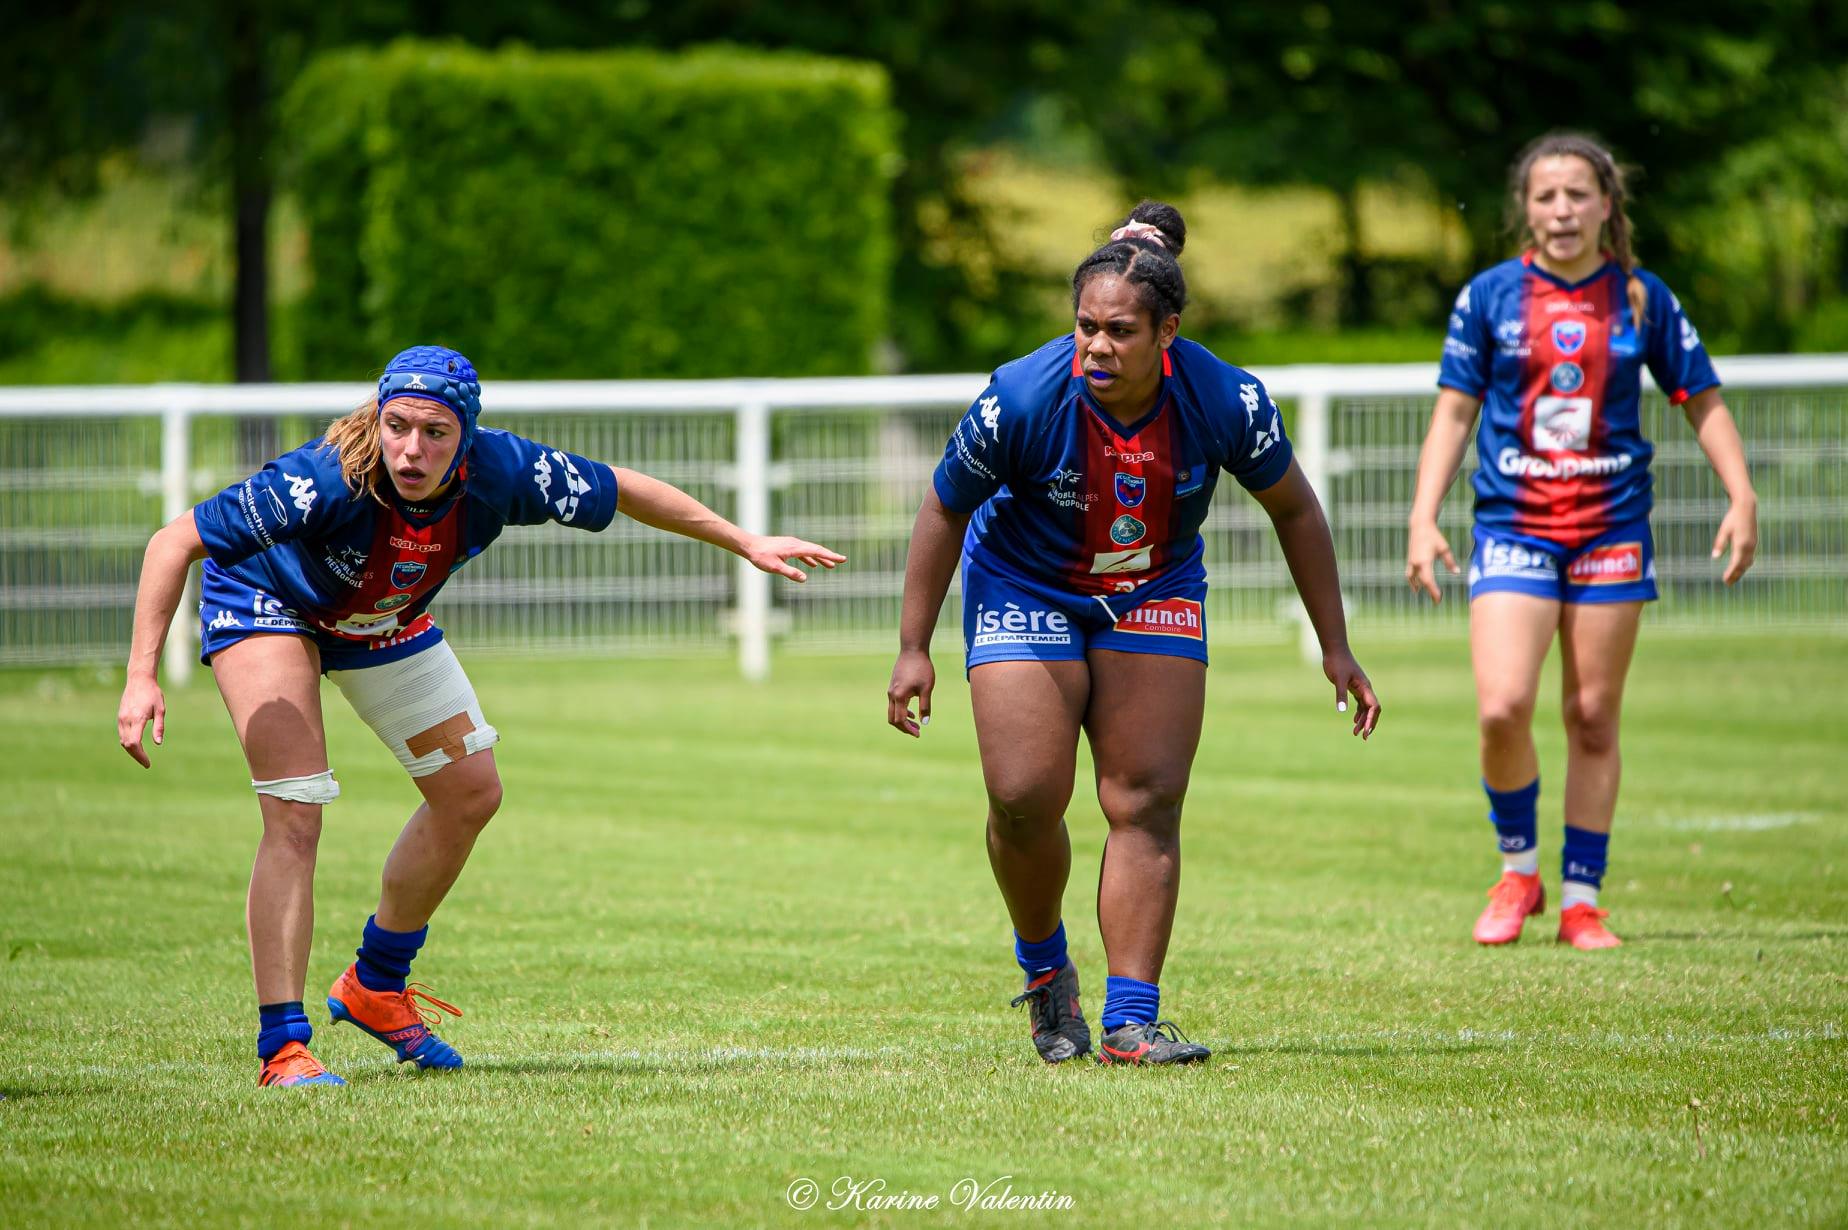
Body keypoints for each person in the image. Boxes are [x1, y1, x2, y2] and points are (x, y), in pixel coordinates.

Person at [116, 345, 843, 1086]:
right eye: (397, 425)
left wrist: (746, 540)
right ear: (378, 416)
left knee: (471, 792)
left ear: (466, 435)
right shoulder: (325, 478)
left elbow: (621, 488)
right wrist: (142, 675)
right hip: (270, 605)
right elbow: (175, 541)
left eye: (435, 432)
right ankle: (284, 1048)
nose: (411, 449)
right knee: (297, 813)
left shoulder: (502, 471)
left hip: (378, 621)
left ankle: (375, 983)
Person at [886, 202, 1381, 1066]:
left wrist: (1334, 644)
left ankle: (1129, 1022)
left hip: (1154, 587)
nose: (1097, 347)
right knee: (1023, 794)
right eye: (1085, 326)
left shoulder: (1226, 397)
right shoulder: (1021, 398)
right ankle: (1047, 977)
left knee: (1145, 799)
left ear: (1168, 333)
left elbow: (1296, 508)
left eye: (1119, 330)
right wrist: (913, 647)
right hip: (1024, 583)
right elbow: (943, 507)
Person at [1406, 133, 1757, 951]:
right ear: (1524, 211)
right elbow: (1455, 411)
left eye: (1576, 195)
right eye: (1544, 197)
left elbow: (1698, 397)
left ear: (1607, 205)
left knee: (1593, 715)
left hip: (1611, 527)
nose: (1561, 211)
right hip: (1514, 525)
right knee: (1503, 707)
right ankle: (1518, 870)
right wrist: (1423, 515)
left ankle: (1581, 900)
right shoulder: (1490, 297)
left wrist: (1741, 494)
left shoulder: (1641, 297)